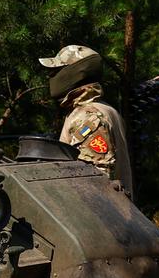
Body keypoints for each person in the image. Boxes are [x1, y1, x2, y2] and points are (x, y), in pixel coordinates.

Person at [40, 44, 134, 197]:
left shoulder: (87, 117)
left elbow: (96, 182)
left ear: (75, 72)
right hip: (118, 216)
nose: (51, 77)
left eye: (55, 71)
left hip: (98, 217)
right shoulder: (105, 109)